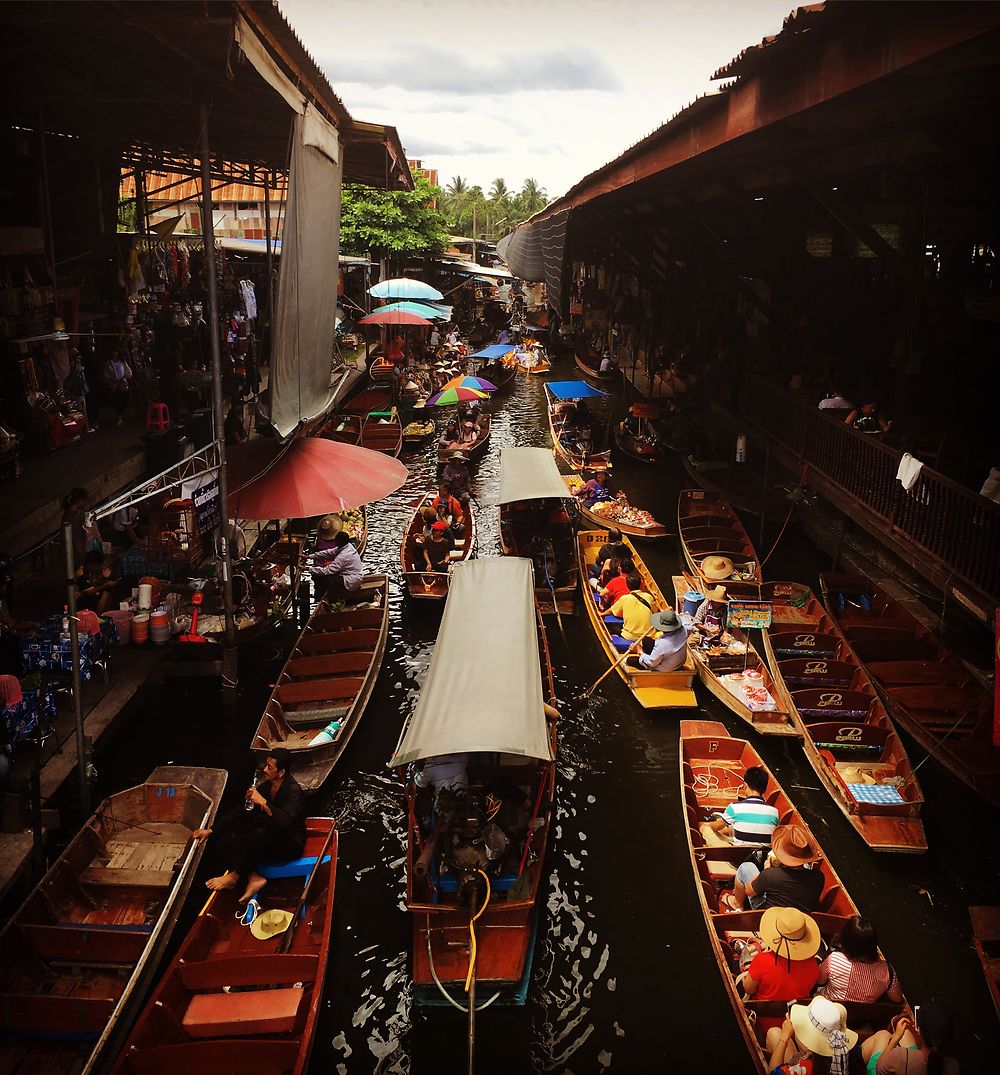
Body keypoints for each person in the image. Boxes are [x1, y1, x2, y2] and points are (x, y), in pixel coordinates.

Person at [194, 749, 306, 906]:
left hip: (290, 844)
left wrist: (264, 803)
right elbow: (241, 811)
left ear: (281, 772)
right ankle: (253, 877)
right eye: (265, 765)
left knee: (260, 834)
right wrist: (211, 830)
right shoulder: (267, 787)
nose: (265, 770)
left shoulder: (293, 791)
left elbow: (284, 822)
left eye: (269, 767)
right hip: (270, 837)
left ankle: (235, 877)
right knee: (226, 841)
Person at [741, 906, 822, 1034]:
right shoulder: (813, 965)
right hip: (796, 1021)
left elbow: (748, 989)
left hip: (763, 1019)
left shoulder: (762, 960)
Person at [726, 822, 824, 912]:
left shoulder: (770, 875)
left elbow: (749, 892)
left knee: (746, 867)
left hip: (768, 914)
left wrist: (766, 870)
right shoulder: (819, 876)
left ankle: (737, 903)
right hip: (798, 918)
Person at [816, 916, 903, 1005]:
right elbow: (897, 999)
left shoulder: (835, 960)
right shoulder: (888, 972)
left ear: (846, 942)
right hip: (860, 1014)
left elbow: (819, 981)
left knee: (821, 949)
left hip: (826, 1007)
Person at [767, 995, 862, 1075]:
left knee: (774, 1034)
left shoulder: (807, 1068)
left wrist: (784, 1037)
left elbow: (773, 1072)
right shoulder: (851, 1051)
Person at [861, 1001, 958, 1075]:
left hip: (899, 1065)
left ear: (919, 1031)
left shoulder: (900, 1057)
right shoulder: (953, 1067)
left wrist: (896, 1037)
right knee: (906, 1033)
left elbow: (879, 1068)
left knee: (883, 1035)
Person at [706, 764, 779, 847]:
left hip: (739, 853)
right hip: (763, 855)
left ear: (745, 785)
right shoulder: (774, 812)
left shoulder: (734, 807)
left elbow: (715, 827)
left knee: (706, 829)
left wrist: (709, 825)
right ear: (765, 789)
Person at [311, 529, 365, 603]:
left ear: (339, 542)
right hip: (352, 575)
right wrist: (310, 556)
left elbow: (327, 571)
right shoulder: (347, 546)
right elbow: (329, 553)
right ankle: (322, 598)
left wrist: (309, 569)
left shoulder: (343, 556)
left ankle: (334, 600)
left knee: (328, 578)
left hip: (352, 580)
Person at [606, 575, 657, 645]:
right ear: (640, 585)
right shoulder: (649, 597)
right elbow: (655, 612)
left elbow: (612, 611)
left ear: (627, 586)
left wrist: (601, 614)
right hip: (648, 637)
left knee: (610, 627)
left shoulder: (624, 598)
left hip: (629, 637)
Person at [76, 550, 116, 614]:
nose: (100, 567)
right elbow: (90, 592)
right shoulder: (81, 574)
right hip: (83, 607)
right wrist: (106, 585)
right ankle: (99, 615)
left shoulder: (92, 571)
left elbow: (93, 583)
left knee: (108, 587)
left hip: (91, 600)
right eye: (98, 565)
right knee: (107, 588)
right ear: (91, 564)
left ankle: (103, 614)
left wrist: (104, 579)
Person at [102, 350, 132, 426]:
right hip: (114, 385)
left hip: (123, 384)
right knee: (117, 401)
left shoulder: (122, 362)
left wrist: (123, 377)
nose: (115, 353)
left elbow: (129, 372)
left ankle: (122, 414)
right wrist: (112, 378)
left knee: (124, 400)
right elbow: (105, 375)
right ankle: (119, 417)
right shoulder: (108, 363)